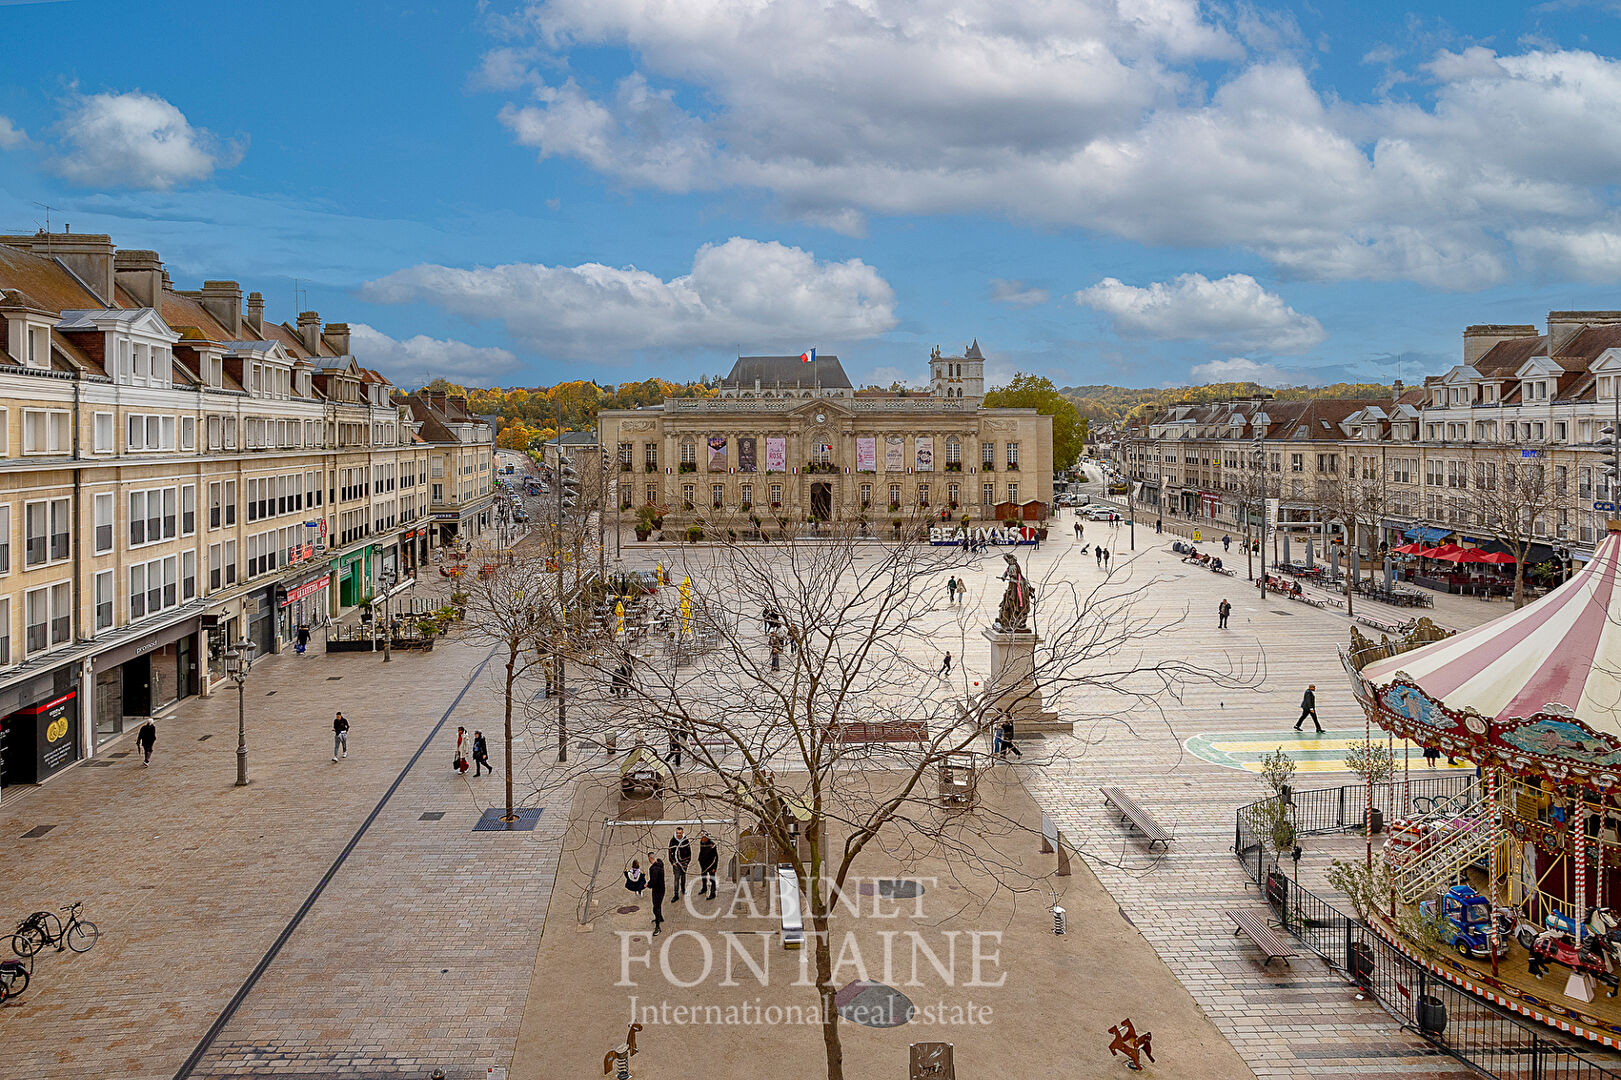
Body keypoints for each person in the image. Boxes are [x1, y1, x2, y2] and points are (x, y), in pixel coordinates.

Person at [668, 827, 692, 902]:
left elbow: (689, 851)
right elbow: (670, 852)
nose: (678, 835)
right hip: (676, 863)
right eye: (677, 833)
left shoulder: (685, 840)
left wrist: (687, 861)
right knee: (676, 878)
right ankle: (676, 894)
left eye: (680, 833)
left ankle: (683, 889)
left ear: (682, 833)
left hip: (684, 862)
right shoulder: (672, 841)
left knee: (683, 876)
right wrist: (673, 862)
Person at [697, 832, 719, 900]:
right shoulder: (702, 843)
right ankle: (704, 888)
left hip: (710, 865)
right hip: (703, 864)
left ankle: (713, 893)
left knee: (712, 879)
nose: (702, 839)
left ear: (707, 838)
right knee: (703, 877)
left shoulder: (712, 845)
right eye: (702, 838)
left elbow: (716, 857)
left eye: (703, 838)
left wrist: (714, 867)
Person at [648, 855, 667, 935]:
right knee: (658, 905)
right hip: (662, 888)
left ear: (649, 859)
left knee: (656, 907)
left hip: (657, 890)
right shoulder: (660, 863)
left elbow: (653, 882)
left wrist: (647, 884)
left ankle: (658, 927)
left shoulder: (653, 869)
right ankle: (660, 918)